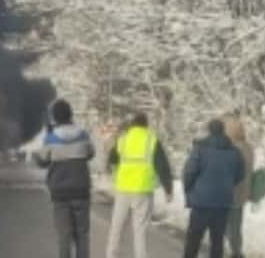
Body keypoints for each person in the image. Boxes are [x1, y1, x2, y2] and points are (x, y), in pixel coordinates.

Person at [105, 112, 174, 258]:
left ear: (133, 125)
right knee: (140, 230)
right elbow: (163, 166)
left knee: (116, 227)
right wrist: (168, 189)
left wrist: (112, 172)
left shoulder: (123, 139)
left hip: (123, 188)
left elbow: (111, 159)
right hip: (143, 190)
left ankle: (111, 255)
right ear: (146, 125)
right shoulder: (152, 140)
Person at [33, 99, 95, 258]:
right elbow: (90, 153)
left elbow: (42, 160)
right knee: (82, 235)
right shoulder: (83, 135)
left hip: (60, 193)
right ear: (70, 114)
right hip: (81, 191)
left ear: (55, 117)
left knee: (64, 237)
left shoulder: (51, 138)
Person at [181, 119, 245, 258]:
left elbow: (189, 172)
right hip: (222, 202)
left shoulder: (200, 149)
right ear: (223, 130)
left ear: (209, 130)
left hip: (201, 202)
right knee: (217, 242)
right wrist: (227, 185)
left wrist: (189, 189)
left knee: (193, 240)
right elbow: (241, 174)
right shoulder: (234, 151)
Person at [224, 115, 255, 258]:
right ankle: (236, 250)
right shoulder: (249, 148)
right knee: (235, 224)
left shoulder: (233, 149)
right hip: (243, 191)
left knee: (229, 225)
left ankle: (236, 253)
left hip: (231, 191)